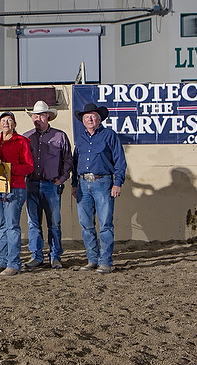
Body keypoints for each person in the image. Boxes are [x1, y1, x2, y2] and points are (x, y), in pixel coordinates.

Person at [72, 103, 127, 274]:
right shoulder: (80, 139)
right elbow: (75, 162)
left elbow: (119, 161)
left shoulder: (109, 135)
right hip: (83, 184)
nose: (89, 119)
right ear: (83, 120)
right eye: (86, 117)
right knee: (86, 224)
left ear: (99, 119)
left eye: (93, 116)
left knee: (105, 224)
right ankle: (92, 259)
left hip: (103, 183)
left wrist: (117, 183)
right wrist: (74, 184)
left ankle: (105, 261)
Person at [23, 101, 73, 270]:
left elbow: (68, 160)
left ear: (48, 117)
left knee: (54, 223)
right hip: (31, 184)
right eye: (35, 116)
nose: (38, 119)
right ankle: (36, 256)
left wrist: (61, 178)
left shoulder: (60, 136)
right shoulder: (26, 137)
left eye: (41, 116)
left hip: (51, 185)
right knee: (33, 223)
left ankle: (55, 256)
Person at [0, 111, 34, 276]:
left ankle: (14, 263)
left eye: (10, 120)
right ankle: (2, 261)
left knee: (12, 226)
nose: (6, 123)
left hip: (15, 188)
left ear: (14, 124)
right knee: (2, 227)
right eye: (3, 120)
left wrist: (9, 167)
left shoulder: (22, 142)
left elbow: (29, 166)